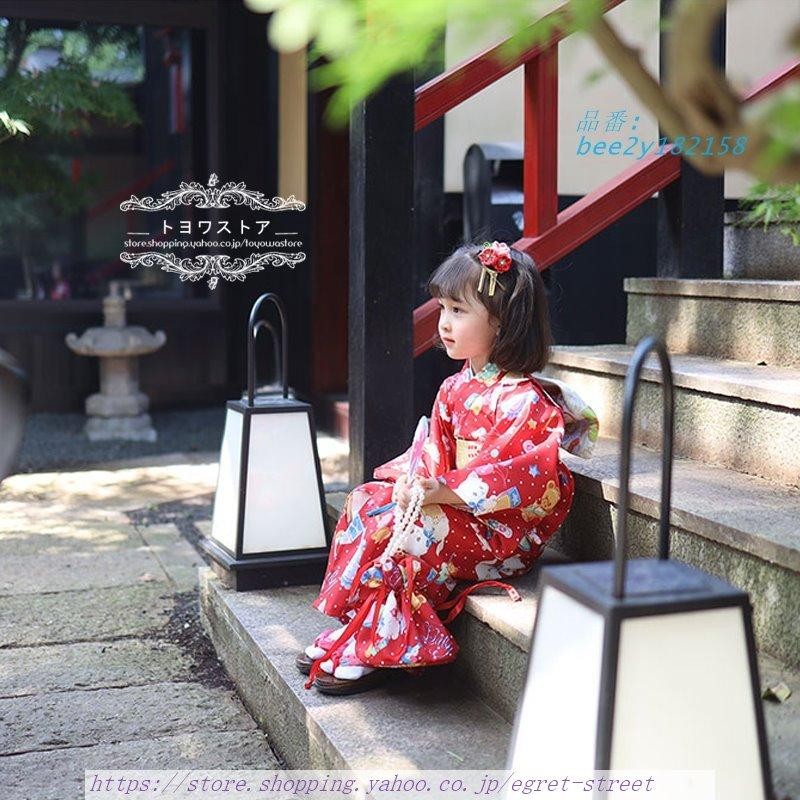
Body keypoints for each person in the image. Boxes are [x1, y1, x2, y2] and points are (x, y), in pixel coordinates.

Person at [299, 241, 599, 695]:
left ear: (502, 321)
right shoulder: (454, 387)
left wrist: (436, 491)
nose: (443, 322)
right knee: (366, 501)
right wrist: (413, 483)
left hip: (499, 530)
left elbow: (514, 478)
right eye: (442, 307)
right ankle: (358, 625)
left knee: (417, 530)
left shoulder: (527, 402)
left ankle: (378, 642)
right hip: (451, 505)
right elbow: (432, 454)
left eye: (458, 310)